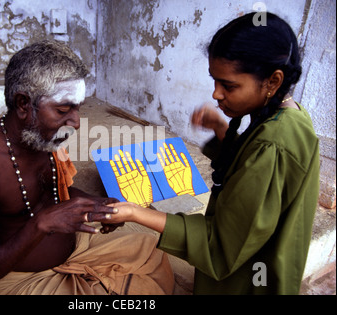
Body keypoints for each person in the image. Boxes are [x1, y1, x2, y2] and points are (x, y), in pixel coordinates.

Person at [104, 12, 320, 294]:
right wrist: (221, 129)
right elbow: (249, 168)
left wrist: (135, 213)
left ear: (272, 81)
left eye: (229, 86)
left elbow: (219, 247)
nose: (216, 94)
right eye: (214, 81)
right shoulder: (288, 117)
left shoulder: (273, 146)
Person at [0, 40, 174, 295]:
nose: (76, 122)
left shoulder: (45, 137)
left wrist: (96, 204)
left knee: (155, 247)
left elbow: (55, 194)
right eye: (63, 109)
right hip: (25, 278)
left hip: (78, 247)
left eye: (78, 107)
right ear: (24, 104)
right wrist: (40, 225)